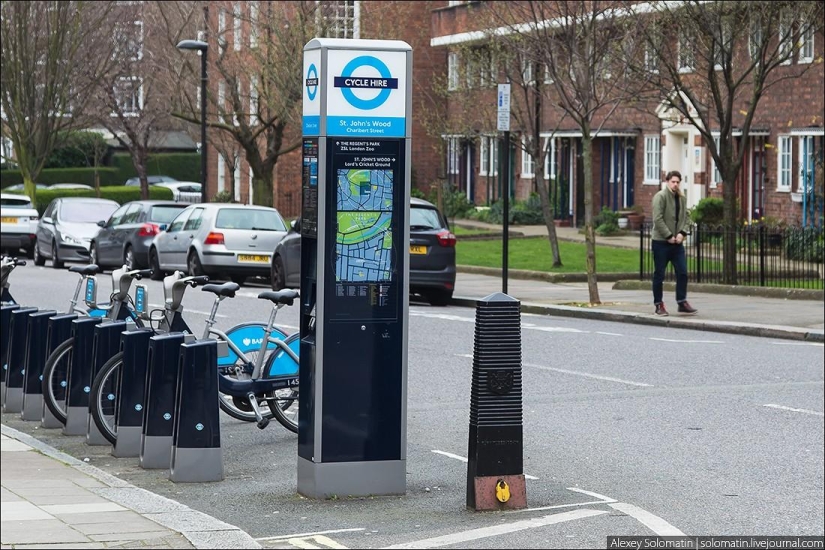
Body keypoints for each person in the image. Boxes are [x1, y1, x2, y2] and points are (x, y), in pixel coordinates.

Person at [651, 170, 697, 316]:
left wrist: (682, 233)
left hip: (677, 244)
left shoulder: (682, 198)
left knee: (682, 272)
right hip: (661, 242)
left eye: (678, 182)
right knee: (659, 274)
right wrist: (668, 235)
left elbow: (687, 218)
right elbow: (657, 219)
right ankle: (659, 304)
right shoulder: (661, 197)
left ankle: (681, 301)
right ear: (667, 182)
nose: (675, 184)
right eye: (673, 182)